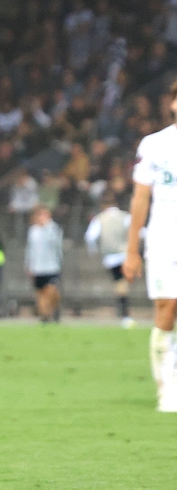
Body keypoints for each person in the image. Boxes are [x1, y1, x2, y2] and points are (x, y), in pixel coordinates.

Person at [123, 80, 177, 411]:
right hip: (163, 239)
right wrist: (132, 249)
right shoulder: (155, 144)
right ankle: (166, 389)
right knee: (167, 307)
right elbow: (140, 198)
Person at [85, 192, 134, 327]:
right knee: (122, 284)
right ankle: (124, 313)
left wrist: (94, 252)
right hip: (125, 254)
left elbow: (90, 237)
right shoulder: (125, 216)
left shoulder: (99, 219)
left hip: (111, 257)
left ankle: (124, 313)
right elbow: (139, 231)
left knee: (120, 283)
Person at [25, 206, 63, 322]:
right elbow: (30, 249)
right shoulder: (33, 231)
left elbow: (57, 244)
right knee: (40, 293)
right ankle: (44, 315)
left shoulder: (53, 228)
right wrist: (28, 265)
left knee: (51, 291)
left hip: (51, 266)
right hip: (37, 267)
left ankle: (53, 309)